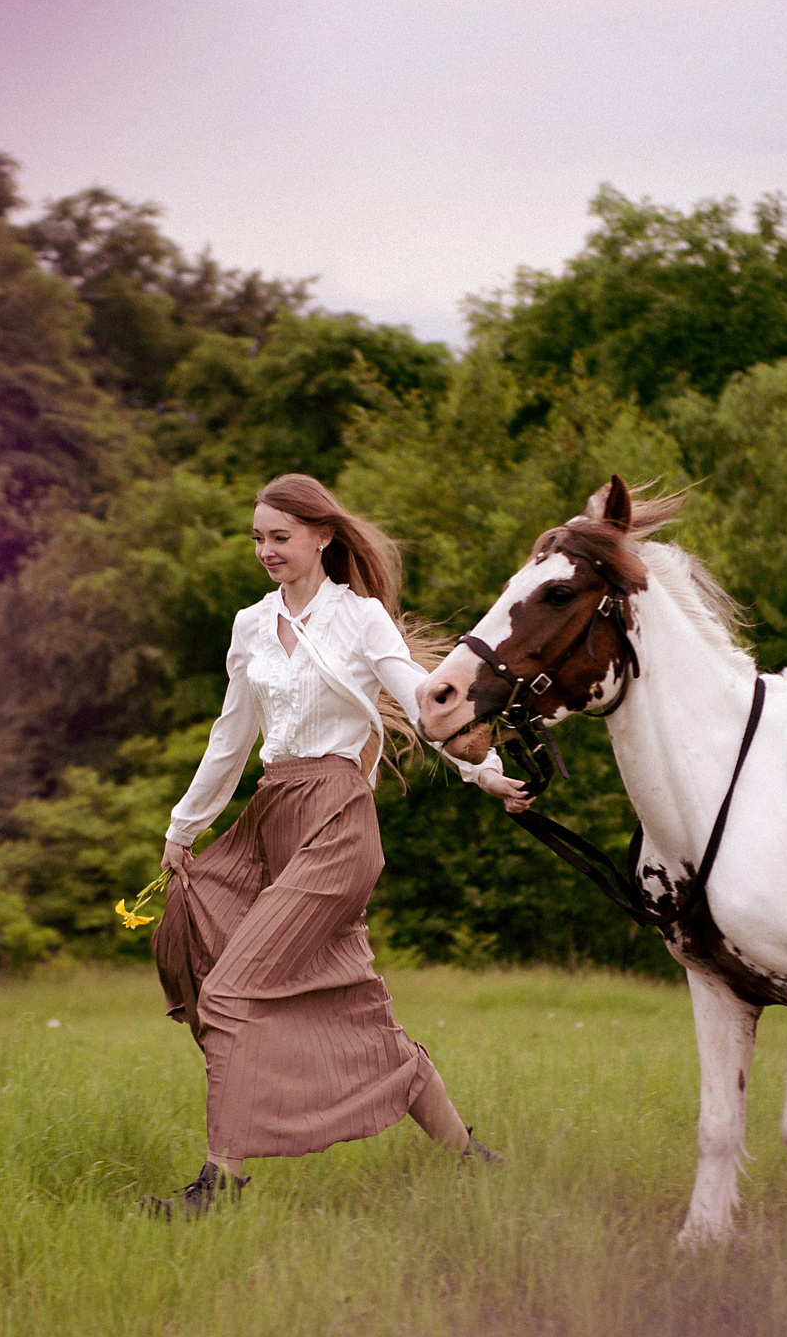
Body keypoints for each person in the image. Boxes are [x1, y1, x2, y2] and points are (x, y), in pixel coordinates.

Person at [145, 474, 530, 1218]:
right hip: (269, 820)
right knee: (351, 1004)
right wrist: (183, 828)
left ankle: (215, 1187)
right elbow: (231, 738)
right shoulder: (249, 625)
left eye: (279, 536)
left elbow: (425, 702)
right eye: (257, 537)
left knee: (229, 989)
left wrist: (484, 771)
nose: (265, 550)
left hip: (337, 822)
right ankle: (470, 1158)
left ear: (322, 535)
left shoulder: (360, 621)